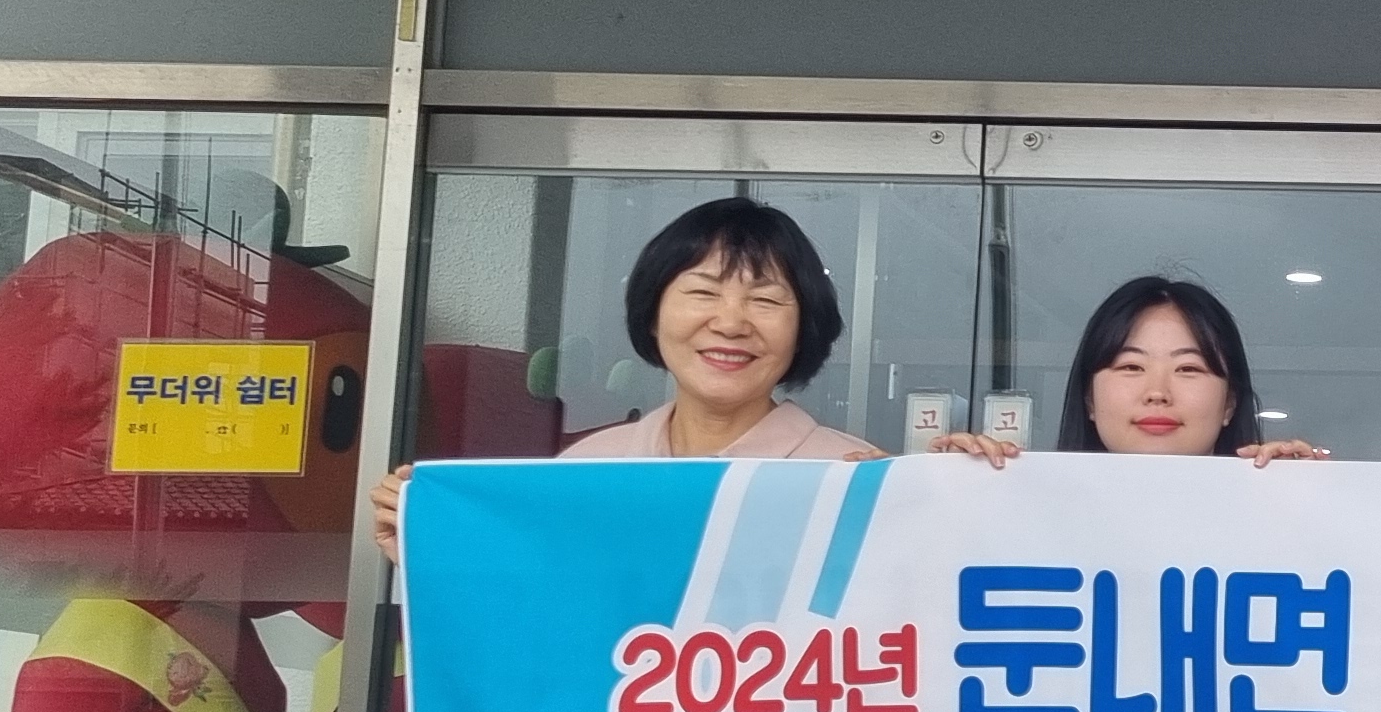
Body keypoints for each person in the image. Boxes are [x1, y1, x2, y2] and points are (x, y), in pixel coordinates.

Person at [368, 196, 871, 557]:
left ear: (803, 329)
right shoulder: (584, 470)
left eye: (765, 300)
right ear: (653, 313)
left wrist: (919, 514)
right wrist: (433, 554)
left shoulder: (856, 480)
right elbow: (530, 614)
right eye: (703, 292)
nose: (731, 323)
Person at [930, 274, 1326, 466]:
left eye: (1188, 368)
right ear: (1089, 399)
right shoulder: (1019, 513)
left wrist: (1312, 502)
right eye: (1132, 366)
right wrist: (953, 490)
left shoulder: (1281, 516)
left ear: (1229, 404)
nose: (1158, 393)